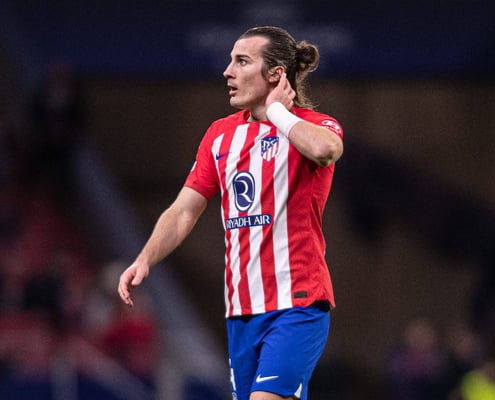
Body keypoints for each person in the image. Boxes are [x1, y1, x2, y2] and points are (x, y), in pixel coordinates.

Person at [117, 26, 343, 400]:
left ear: (276, 74)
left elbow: (325, 150)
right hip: (241, 312)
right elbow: (184, 210)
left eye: (242, 61)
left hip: (297, 305)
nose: (228, 71)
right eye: (230, 61)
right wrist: (145, 258)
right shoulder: (219, 136)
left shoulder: (314, 127)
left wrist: (277, 112)